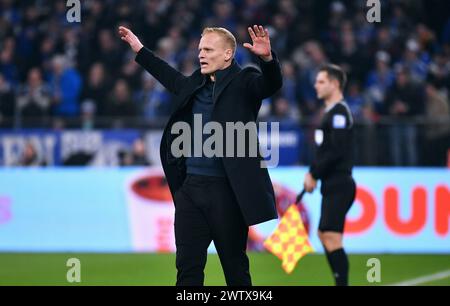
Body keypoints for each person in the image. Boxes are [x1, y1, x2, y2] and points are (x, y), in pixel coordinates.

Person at [119, 24, 282, 286]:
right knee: (187, 271)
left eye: (208, 49)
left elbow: (271, 84)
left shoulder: (245, 82)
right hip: (191, 191)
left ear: (228, 54)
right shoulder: (195, 83)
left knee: (235, 271)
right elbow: (168, 75)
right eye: (199, 50)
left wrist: (267, 59)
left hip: (227, 193)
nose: (201, 55)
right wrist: (139, 50)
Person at [303, 64, 356, 286]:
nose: (316, 85)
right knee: (326, 234)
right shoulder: (331, 113)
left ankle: (342, 284)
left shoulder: (339, 113)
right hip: (332, 182)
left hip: (339, 182)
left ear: (335, 84)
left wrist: (313, 173)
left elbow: (336, 149)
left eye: (321, 81)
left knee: (330, 234)